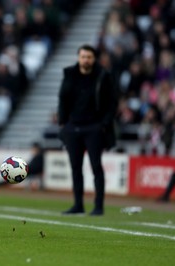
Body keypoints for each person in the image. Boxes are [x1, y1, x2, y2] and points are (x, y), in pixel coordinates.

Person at [58, 44, 117, 216]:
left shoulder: (103, 76)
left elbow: (112, 103)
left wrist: (104, 124)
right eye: (83, 56)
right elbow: (62, 98)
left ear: (94, 59)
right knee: (75, 168)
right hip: (73, 126)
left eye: (89, 57)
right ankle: (78, 204)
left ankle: (98, 206)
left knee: (96, 166)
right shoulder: (69, 74)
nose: (86, 60)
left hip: (94, 127)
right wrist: (63, 123)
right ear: (78, 57)